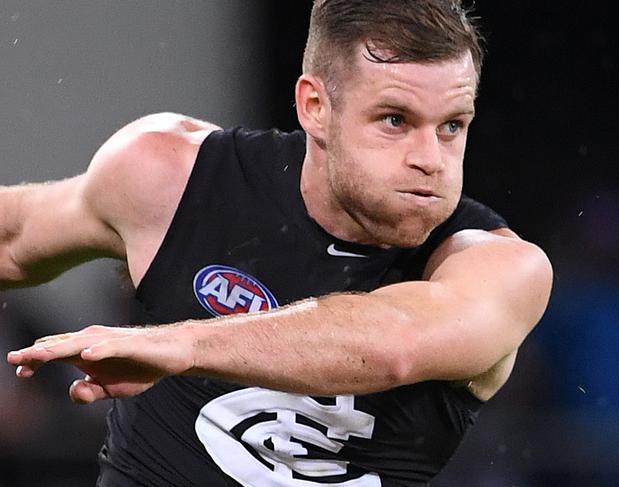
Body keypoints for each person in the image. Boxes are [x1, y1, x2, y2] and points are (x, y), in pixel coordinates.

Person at [4, 1, 552, 485]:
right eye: (394, 119)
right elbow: (14, 238)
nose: (430, 159)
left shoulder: (499, 269)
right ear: (315, 106)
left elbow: (396, 343)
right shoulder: (174, 178)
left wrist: (184, 346)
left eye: (452, 126)